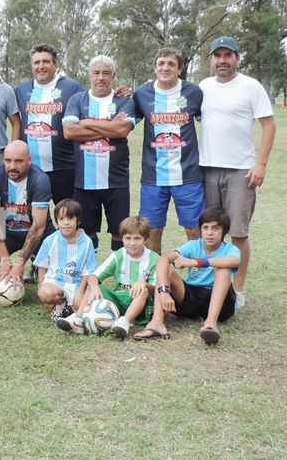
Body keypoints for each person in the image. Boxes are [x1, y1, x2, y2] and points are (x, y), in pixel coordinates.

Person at [198, 36, 276, 307]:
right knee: (210, 230)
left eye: (227, 55)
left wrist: (261, 164)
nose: (222, 60)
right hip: (207, 168)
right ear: (212, 59)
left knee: (238, 233)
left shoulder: (251, 86)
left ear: (237, 58)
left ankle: (238, 289)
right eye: (217, 55)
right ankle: (211, 284)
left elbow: (269, 125)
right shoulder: (204, 86)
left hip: (241, 171)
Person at [133, 48, 204, 255]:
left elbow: (212, 122)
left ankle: (197, 272)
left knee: (195, 230)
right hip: (153, 176)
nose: (165, 68)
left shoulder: (194, 93)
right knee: (151, 231)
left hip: (188, 175)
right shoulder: (142, 94)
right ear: (155, 68)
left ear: (179, 69)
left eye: (171, 64)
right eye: (161, 63)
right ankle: (156, 273)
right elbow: (125, 120)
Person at [136, 207, 240, 345]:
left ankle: (210, 324)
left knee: (223, 269)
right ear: (200, 230)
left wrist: (195, 262)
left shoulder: (230, 249)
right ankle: (156, 323)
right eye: (205, 228)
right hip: (191, 298)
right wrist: (164, 292)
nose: (209, 233)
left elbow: (234, 261)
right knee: (166, 270)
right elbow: (163, 259)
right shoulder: (193, 245)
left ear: (224, 231)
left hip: (220, 304)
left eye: (215, 228)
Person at [62, 55, 135, 250]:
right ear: (89, 75)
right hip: (84, 180)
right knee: (86, 231)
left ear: (113, 76)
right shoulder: (78, 100)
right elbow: (69, 132)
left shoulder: (123, 100)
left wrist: (86, 122)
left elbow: (122, 130)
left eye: (106, 73)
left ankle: (119, 268)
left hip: (116, 180)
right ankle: (89, 268)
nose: (100, 77)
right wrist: (110, 126)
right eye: (96, 73)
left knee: (120, 232)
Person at [57, 216, 159, 339]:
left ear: (146, 239)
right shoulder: (119, 255)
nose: (132, 243)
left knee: (144, 290)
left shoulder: (154, 259)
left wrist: (144, 284)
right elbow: (93, 276)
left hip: (141, 304)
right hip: (119, 298)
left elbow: (157, 289)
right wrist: (95, 287)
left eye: (137, 238)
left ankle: (125, 322)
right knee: (93, 285)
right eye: (128, 238)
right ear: (122, 238)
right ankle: (77, 318)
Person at [0, 141, 52, 290]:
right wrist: (4, 259)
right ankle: (7, 274)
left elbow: (38, 228)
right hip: (6, 230)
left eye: (18, 161)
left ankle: (37, 265)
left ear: (29, 161)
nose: (12, 166)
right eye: (8, 161)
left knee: (56, 266)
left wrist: (20, 262)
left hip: (38, 234)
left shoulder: (40, 179)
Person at [16, 43, 86, 203]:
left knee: (67, 214)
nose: (41, 66)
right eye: (36, 62)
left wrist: (118, 93)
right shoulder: (21, 89)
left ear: (55, 64)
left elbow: (93, 100)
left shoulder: (72, 87)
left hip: (64, 168)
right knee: (33, 215)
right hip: (30, 169)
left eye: (46, 62)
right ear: (31, 66)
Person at [34, 199, 97, 322]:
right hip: (55, 282)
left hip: (77, 284)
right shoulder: (50, 240)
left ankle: (72, 311)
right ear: (57, 221)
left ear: (78, 220)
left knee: (87, 306)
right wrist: (42, 289)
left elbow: (88, 271)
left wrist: (80, 292)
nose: (66, 223)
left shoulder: (87, 242)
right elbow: (42, 267)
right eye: (61, 219)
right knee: (45, 292)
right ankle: (61, 304)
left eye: (70, 218)